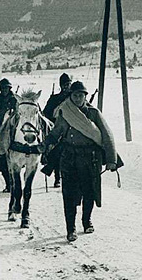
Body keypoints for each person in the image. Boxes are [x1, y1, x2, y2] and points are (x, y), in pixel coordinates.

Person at [41, 81, 118, 242]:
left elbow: (107, 135)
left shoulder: (93, 113)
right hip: (69, 158)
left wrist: (111, 159)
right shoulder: (65, 112)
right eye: (75, 95)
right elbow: (56, 132)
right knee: (68, 194)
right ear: (71, 96)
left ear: (85, 97)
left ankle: (86, 221)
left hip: (90, 158)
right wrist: (46, 143)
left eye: (80, 95)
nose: (77, 98)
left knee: (89, 192)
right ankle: (71, 229)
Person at [42, 72, 73, 187]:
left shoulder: (74, 98)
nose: (66, 87)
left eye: (68, 84)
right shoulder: (55, 99)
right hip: (57, 128)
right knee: (57, 153)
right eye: (64, 84)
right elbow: (46, 114)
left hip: (73, 128)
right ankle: (57, 177)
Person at [0, 78, 18, 192]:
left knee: (15, 160)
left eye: (6, 88)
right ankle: (8, 184)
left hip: (13, 132)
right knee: (2, 161)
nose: (4, 90)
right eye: (2, 88)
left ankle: (15, 183)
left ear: (9, 88)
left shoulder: (15, 100)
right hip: (0, 132)